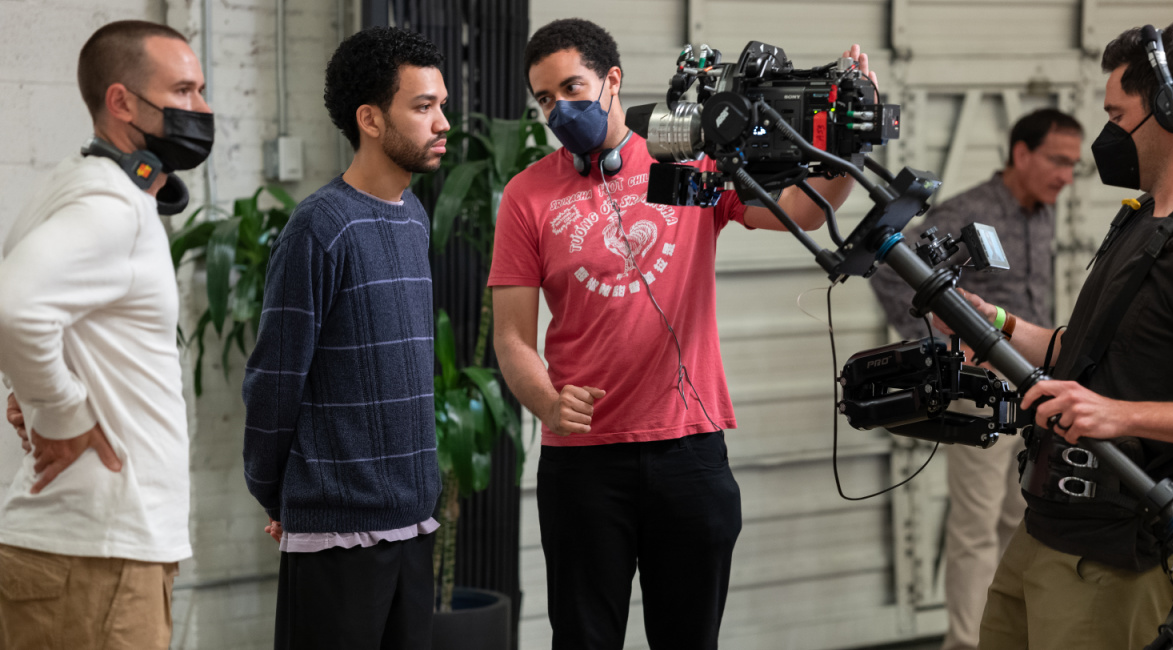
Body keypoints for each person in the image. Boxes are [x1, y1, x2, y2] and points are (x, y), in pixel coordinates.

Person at [489, 18, 871, 649]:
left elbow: (802, 211)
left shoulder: (690, 161)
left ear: (613, 80)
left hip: (689, 453)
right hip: (582, 466)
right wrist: (548, 402)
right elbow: (512, 338)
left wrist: (852, 138)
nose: (559, 108)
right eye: (545, 99)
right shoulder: (527, 195)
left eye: (572, 88)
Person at [936, 22, 1173, 650]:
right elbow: (1082, 355)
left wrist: (1116, 414)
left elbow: (1109, 401)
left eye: (1117, 113)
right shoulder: (1138, 220)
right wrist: (997, 324)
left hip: (1122, 559)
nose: (1106, 133)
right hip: (1046, 534)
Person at [0, 20, 213, 650]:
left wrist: (31, 390)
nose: (201, 110)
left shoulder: (74, 184)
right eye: (183, 92)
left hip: (86, 553)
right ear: (121, 101)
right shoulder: (109, 205)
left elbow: (38, 310)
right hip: (99, 558)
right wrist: (60, 411)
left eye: (201, 91)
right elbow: (14, 309)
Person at [241, 26, 445, 650]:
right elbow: (276, 378)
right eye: (422, 106)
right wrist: (280, 494)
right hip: (336, 532)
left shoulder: (413, 216)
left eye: (441, 104)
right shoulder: (318, 228)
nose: (442, 122)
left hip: (413, 522)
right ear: (371, 119)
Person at [869, 108, 1083, 650]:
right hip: (980, 395)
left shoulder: (1042, 212)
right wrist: (950, 350)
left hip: (1031, 392)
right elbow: (895, 273)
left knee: (1024, 524)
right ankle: (966, 644)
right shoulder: (970, 212)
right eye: (1058, 161)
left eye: (1073, 165)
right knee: (974, 529)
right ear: (1021, 154)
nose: (1067, 175)